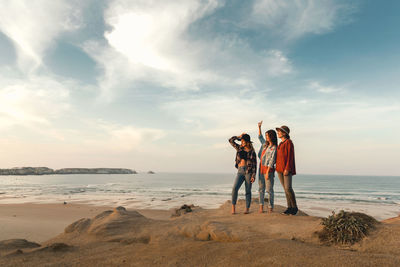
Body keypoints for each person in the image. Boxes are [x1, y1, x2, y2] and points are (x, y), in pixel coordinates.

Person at [229, 133, 257, 214]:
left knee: (248, 191)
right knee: (234, 188)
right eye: (241, 141)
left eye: (243, 141)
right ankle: (233, 208)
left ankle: (247, 208)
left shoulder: (252, 152)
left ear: (247, 142)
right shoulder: (239, 148)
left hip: (249, 172)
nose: (242, 142)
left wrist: (253, 176)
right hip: (240, 171)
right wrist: (238, 137)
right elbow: (231, 141)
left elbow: (255, 165)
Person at [275, 125, 298, 215]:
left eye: (280, 131)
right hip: (279, 169)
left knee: (288, 188)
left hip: (286, 169)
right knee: (285, 189)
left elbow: (290, 157)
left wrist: (287, 168)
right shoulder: (280, 144)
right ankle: (289, 207)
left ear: (284, 133)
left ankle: (294, 207)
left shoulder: (289, 142)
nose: (278, 133)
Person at [257, 121, 277, 213]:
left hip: (268, 169)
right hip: (261, 168)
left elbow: (272, 160)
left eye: (268, 136)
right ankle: (261, 207)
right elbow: (260, 137)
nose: (266, 137)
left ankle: (270, 207)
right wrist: (259, 127)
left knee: (269, 190)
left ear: (271, 136)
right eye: (266, 136)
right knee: (261, 189)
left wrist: (268, 172)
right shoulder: (265, 144)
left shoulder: (274, 147)